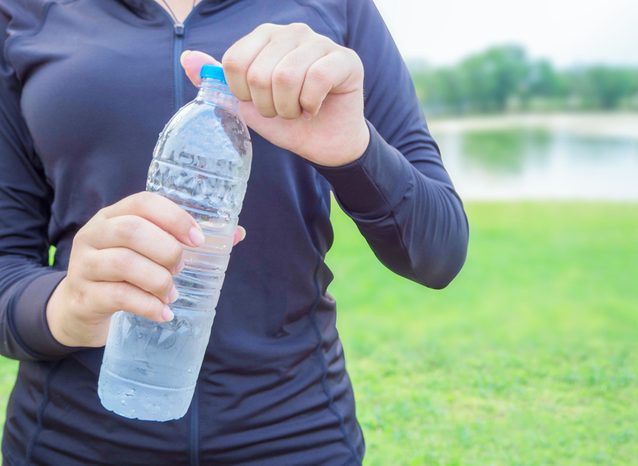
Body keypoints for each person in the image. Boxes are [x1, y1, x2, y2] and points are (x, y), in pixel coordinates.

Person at [0, 0, 468, 464]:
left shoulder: (336, 8)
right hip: (73, 441)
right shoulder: (22, 13)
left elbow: (438, 252)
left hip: (294, 435)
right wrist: (64, 308)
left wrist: (355, 151)